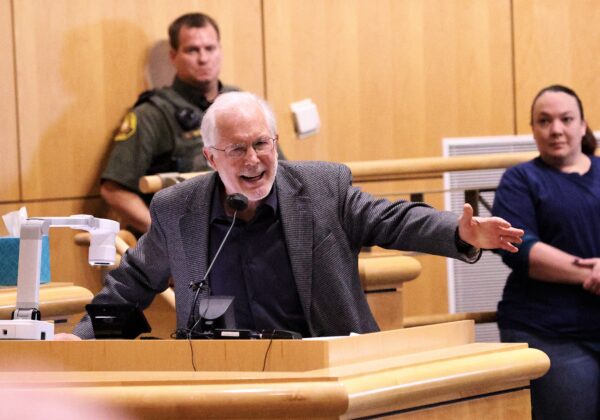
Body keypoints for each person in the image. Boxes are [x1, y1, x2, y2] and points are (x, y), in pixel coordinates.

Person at [58, 91, 523, 341]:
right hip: (225, 381)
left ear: (276, 142)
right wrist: (80, 339)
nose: (253, 160)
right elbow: (132, 284)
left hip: (325, 370)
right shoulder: (178, 209)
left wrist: (458, 232)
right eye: (236, 149)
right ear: (210, 157)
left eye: (262, 143)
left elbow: (393, 219)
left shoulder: (322, 188)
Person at [492, 85, 600, 420]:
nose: (556, 129)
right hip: (549, 332)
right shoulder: (520, 180)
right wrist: (592, 273)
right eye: (544, 121)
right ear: (533, 129)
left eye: (566, 119)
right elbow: (522, 250)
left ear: (583, 125)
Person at [100, 12, 238, 235]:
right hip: (185, 238)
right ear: (173, 56)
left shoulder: (241, 103)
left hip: (242, 232)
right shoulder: (152, 114)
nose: (203, 58)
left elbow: (277, 168)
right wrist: (166, 237)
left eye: (210, 48)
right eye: (192, 50)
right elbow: (114, 190)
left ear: (220, 50)